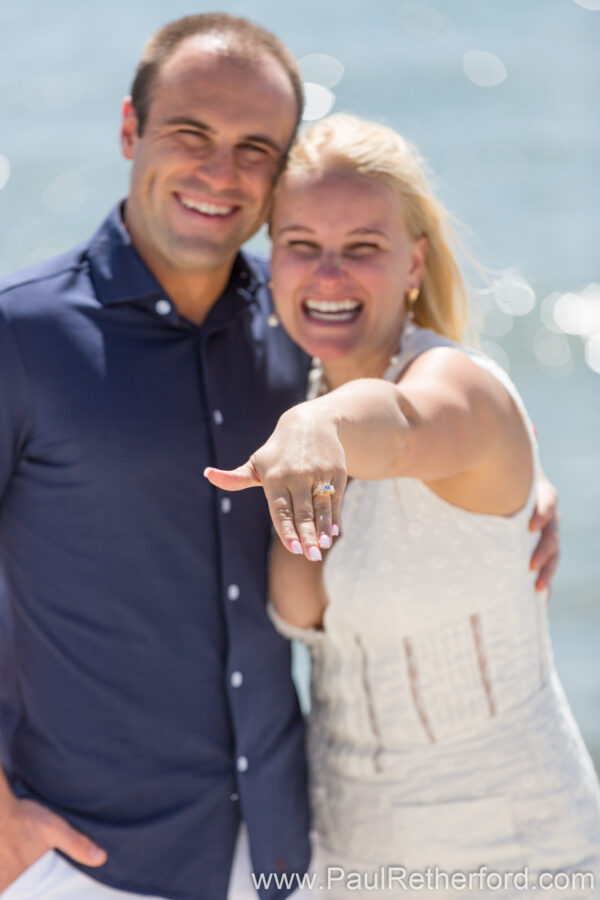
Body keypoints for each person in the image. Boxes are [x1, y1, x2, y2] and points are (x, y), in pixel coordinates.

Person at [0, 14, 558, 900]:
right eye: (191, 133)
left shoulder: (299, 313)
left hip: (285, 854)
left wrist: (517, 485)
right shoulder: (20, 334)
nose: (220, 172)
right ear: (130, 128)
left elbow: (406, 405)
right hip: (88, 862)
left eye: (255, 148)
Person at [205, 114, 600, 897]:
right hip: (347, 860)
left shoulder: (460, 389)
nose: (328, 276)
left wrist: (320, 426)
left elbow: (406, 425)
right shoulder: (291, 390)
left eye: (363, 248)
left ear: (414, 261)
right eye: (302, 245)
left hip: (515, 860)